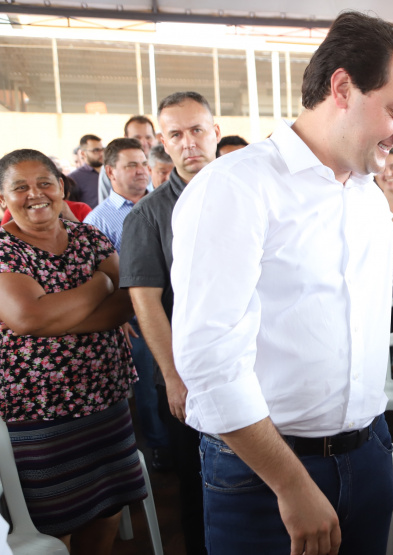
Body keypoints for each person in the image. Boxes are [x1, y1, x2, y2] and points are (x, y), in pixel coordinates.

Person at [169, 13, 393, 554]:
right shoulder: (236, 187)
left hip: (367, 450)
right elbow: (209, 359)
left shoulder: (364, 194)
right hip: (266, 468)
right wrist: (290, 484)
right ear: (342, 87)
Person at [0, 148, 145, 555]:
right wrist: (99, 286)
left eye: (44, 182)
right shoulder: (4, 250)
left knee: (109, 510)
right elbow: (28, 319)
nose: (35, 194)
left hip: (106, 398)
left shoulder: (88, 236)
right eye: (20, 187)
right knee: (53, 523)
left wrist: (55, 317)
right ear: (2, 199)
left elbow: (128, 300)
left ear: (61, 188)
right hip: (40, 411)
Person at [119, 90, 221, 555]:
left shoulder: (247, 195)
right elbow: (146, 303)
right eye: (176, 134)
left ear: (215, 131)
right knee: (202, 487)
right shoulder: (149, 215)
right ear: (163, 142)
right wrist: (173, 377)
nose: (189, 143)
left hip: (260, 366)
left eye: (197, 130)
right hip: (194, 376)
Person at [84, 138, 171, 470]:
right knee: (148, 387)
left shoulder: (163, 204)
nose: (141, 172)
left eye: (144, 164)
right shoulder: (99, 221)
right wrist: (117, 317)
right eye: (131, 165)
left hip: (173, 311)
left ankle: (180, 440)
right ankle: (160, 447)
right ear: (110, 171)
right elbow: (96, 276)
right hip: (134, 318)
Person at [99, 115, 158, 204]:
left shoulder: (165, 163)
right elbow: (106, 204)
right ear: (126, 137)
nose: (143, 142)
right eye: (137, 138)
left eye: (148, 137)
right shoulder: (113, 167)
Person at [69, 133, 104, 207]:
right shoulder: (74, 178)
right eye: (96, 150)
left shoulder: (111, 172)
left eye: (102, 149)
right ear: (83, 153)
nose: (101, 153)